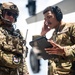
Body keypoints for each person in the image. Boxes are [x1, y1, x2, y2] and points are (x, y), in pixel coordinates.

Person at [40, 6, 75, 75]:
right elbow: (40, 51)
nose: (47, 21)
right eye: (45, 19)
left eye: (49, 17)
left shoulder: (72, 27)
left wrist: (64, 51)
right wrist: (43, 34)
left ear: (58, 16)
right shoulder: (54, 34)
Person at [0, 2, 29, 75]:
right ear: (1, 13)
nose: (12, 17)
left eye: (14, 15)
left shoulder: (18, 35)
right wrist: (12, 61)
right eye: (9, 13)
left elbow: (22, 61)